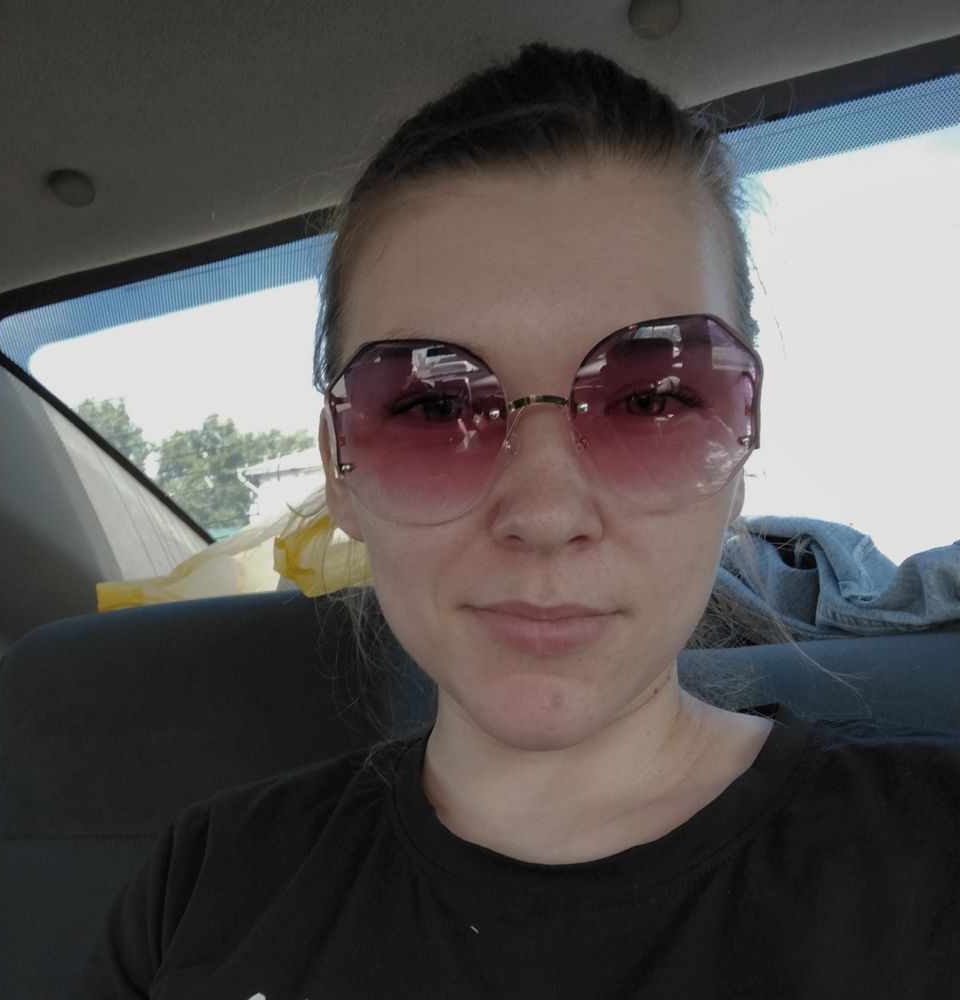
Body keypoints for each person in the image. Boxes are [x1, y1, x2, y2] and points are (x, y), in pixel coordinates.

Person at [84, 43, 960, 998]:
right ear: (339, 467)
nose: (545, 514)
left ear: (739, 444)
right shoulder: (203, 887)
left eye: (653, 401)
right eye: (429, 406)